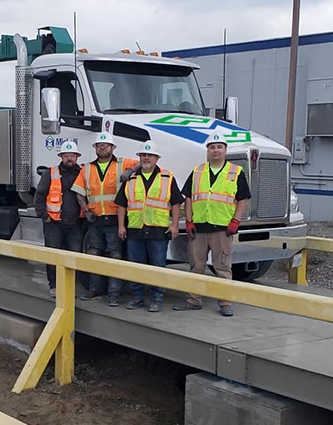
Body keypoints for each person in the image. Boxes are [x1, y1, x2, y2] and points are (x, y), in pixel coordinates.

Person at [173, 131, 251, 317]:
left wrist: (236, 220)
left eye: (219, 147)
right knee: (196, 266)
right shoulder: (198, 171)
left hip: (222, 229)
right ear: (207, 151)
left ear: (225, 150)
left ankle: (224, 301)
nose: (215, 150)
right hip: (199, 228)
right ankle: (193, 300)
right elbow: (189, 198)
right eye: (212, 147)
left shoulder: (235, 172)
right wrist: (189, 221)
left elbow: (243, 199)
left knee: (223, 267)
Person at [115, 140, 183, 312]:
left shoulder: (167, 177)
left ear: (156, 159)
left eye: (150, 155)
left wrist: (175, 225)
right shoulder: (130, 179)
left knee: (158, 266)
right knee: (135, 266)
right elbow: (122, 204)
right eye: (143, 155)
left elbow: (176, 203)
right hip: (135, 230)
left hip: (158, 230)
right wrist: (121, 226)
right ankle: (137, 297)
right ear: (139, 157)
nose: (146, 158)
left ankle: (156, 298)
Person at [71, 131, 138, 303]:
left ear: (112, 147)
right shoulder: (87, 168)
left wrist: (130, 171)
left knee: (115, 255)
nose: (102, 148)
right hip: (95, 219)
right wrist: (85, 210)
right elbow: (79, 192)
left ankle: (113, 294)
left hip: (116, 219)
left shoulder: (122, 164)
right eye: (99, 145)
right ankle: (95, 289)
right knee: (94, 254)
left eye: (105, 145)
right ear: (95, 148)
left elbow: (142, 164)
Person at [34, 141, 84, 299]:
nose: (69, 158)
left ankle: (69, 287)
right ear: (61, 156)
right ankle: (54, 286)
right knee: (53, 256)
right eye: (66, 155)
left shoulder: (83, 172)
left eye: (72, 155)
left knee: (74, 257)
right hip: (54, 224)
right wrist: (44, 216)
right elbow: (39, 195)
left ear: (77, 157)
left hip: (75, 224)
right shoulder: (51, 173)